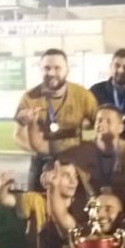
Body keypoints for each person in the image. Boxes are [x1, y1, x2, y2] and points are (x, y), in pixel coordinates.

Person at [35, 105, 125, 214]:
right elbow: (51, 167)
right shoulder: (79, 152)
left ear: (120, 127)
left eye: (108, 121)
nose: (101, 124)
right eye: (99, 120)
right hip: (87, 215)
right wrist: (47, 175)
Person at [15, 48, 99, 190]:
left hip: (75, 163)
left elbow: (99, 125)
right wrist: (41, 149)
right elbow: (17, 135)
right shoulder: (29, 98)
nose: (52, 73)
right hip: (41, 162)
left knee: (76, 207)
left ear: (67, 70)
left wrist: (86, 149)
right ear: (40, 70)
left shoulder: (83, 95)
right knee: (37, 206)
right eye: (47, 68)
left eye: (57, 68)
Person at [89, 48, 125, 143]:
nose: (121, 70)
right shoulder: (96, 90)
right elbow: (89, 121)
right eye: (117, 65)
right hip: (103, 145)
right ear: (111, 67)